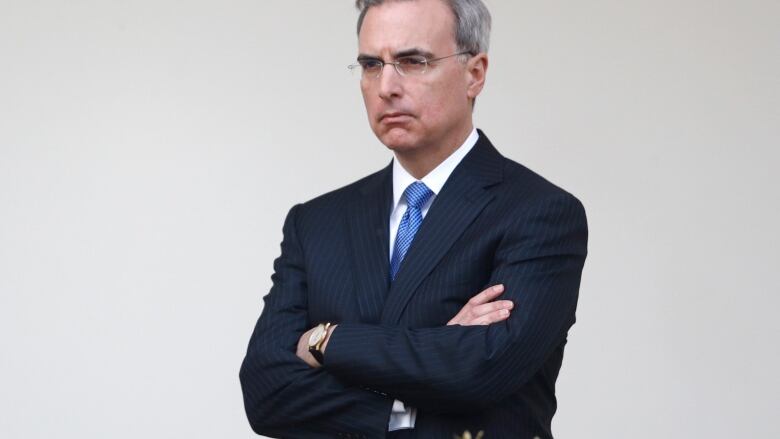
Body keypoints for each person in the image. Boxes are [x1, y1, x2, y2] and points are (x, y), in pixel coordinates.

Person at [239, 0, 588, 437]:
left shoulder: (539, 213)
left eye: (412, 61)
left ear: (474, 73)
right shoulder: (315, 223)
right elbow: (265, 393)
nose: (386, 86)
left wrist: (325, 340)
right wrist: (423, 378)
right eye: (371, 64)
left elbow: (481, 369)